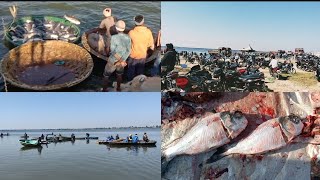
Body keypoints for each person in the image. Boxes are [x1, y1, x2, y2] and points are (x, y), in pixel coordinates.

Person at [102, 20, 131, 92]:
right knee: (119, 75)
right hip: (122, 61)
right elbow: (128, 51)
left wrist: (120, 61)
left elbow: (113, 52)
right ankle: (118, 88)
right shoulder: (128, 38)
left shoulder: (113, 37)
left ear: (116, 28)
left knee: (106, 75)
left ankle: (104, 90)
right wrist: (123, 60)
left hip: (113, 60)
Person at [127, 15, 155, 81]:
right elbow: (151, 46)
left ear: (135, 22)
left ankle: (130, 83)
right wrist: (148, 53)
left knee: (131, 73)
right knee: (140, 73)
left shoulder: (131, 32)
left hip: (133, 56)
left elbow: (127, 45)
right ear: (143, 22)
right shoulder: (148, 32)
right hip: (142, 56)